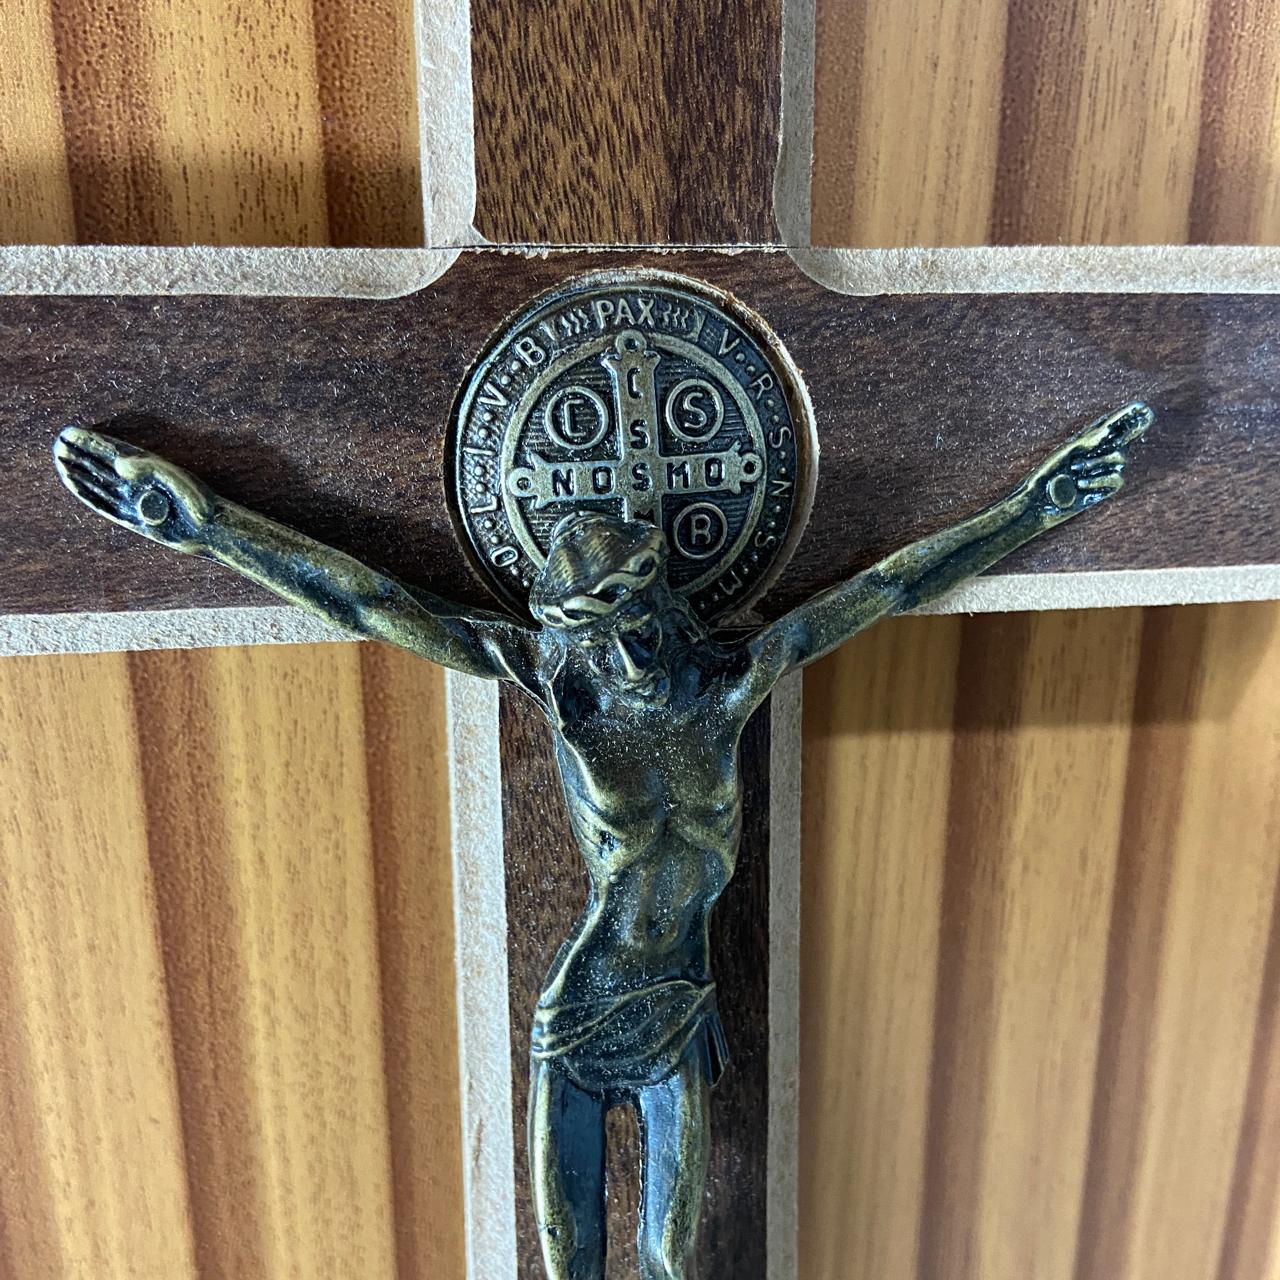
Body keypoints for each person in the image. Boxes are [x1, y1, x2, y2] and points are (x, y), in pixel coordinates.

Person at [52, 399, 1150, 1280]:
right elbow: (371, 600)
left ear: (664, 602)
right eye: (598, 633)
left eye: (637, 620)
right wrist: (205, 526)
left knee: (670, 1257)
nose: (626, 654)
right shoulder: (559, 689)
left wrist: (1033, 506)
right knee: (568, 1261)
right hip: (578, 1013)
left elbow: (890, 584)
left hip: (679, 1006)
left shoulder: (732, 684)